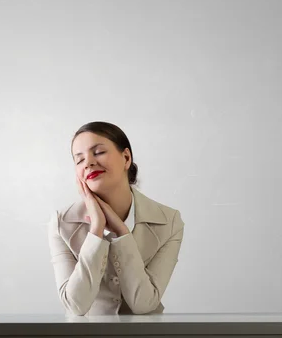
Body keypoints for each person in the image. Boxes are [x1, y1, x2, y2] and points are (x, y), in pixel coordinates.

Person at [47, 121, 184, 315]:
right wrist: (96, 229)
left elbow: (143, 304)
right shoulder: (61, 223)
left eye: (98, 152)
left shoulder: (169, 222)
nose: (88, 163)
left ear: (126, 158)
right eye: (79, 160)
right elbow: (75, 306)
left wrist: (122, 233)